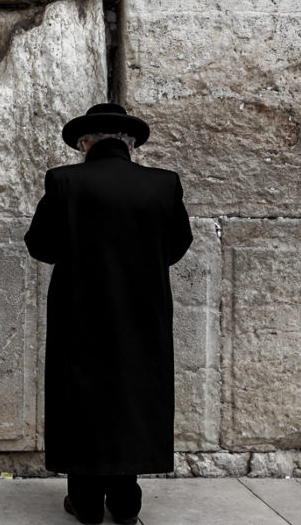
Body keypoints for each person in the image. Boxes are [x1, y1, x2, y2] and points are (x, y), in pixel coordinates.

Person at [24, 103, 192, 525]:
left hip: (79, 309)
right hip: (143, 311)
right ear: (130, 144)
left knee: (82, 396)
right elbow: (177, 245)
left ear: (85, 144)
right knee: (132, 395)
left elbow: (40, 245)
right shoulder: (164, 184)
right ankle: (125, 502)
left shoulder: (64, 181)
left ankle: (85, 501)